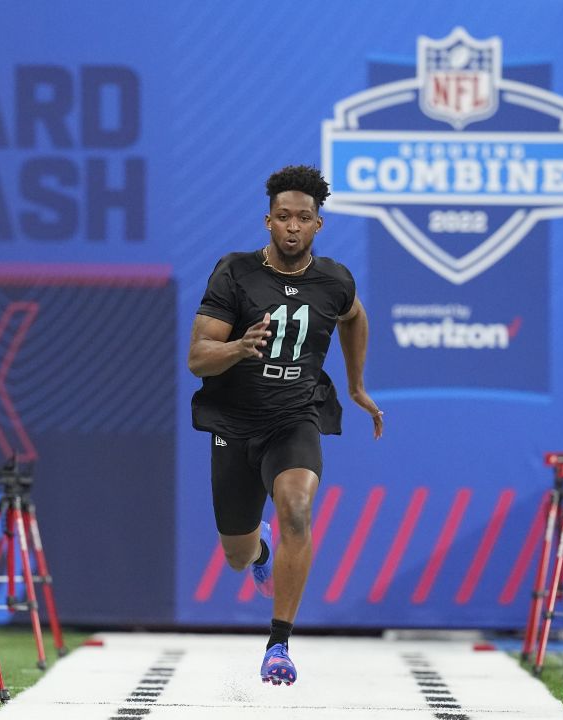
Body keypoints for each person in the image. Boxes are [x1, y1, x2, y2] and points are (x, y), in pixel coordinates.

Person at [187, 164, 384, 686]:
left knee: (296, 505)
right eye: (282, 217)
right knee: (235, 555)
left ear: (319, 224)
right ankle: (262, 549)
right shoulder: (234, 272)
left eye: (303, 218)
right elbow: (198, 358)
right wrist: (238, 346)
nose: (292, 226)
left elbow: (355, 316)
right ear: (267, 222)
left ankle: (279, 644)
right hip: (235, 418)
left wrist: (357, 384)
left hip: (296, 415)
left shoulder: (335, 279)